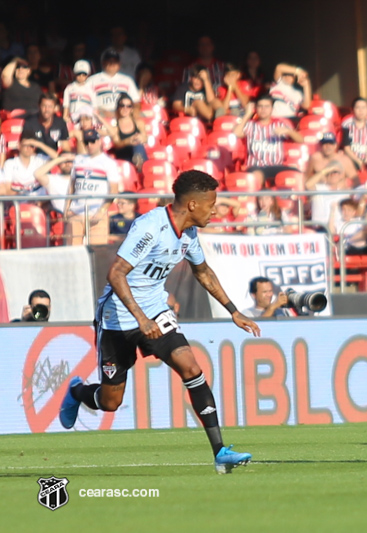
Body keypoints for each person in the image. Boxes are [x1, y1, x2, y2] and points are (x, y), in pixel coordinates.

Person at [59, 170, 259, 474]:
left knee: (191, 368)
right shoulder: (150, 227)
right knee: (110, 401)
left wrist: (233, 310)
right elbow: (116, 274)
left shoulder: (189, 234)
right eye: (211, 203)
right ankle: (77, 392)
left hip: (155, 312)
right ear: (192, 204)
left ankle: (220, 451)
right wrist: (140, 318)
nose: (214, 210)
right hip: (118, 318)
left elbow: (203, 272)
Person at [63, 129, 120, 245]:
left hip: (96, 212)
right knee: (72, 251)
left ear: (99, 141)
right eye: (86, 142)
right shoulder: (78, 160)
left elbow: (114, 191)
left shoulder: (109, 163)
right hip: (76, 211)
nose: (89, 145)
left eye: (93, 141)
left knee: (98, 252)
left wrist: (101, 212)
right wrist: (67, 208)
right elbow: (72, 187)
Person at [88, 48, 140, 118]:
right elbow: (85, 103)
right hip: (100, 118)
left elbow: (136, 102)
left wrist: (134, 113)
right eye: (109, 61)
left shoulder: (127, 80)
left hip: (123, 118)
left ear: (119, 64)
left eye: (115, 61)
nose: (112, 64)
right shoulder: (92, 80)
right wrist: (100, 111)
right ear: (103, 63)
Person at [110, 93, 147, 170]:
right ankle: (138, 166)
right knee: (135, 144)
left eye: (128, 106)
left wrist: (141, 138)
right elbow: (117, 144)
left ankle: (139, 164)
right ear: (118, 108)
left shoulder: (139, 123)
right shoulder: (115, 127)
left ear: (132, 109)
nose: (125, 108)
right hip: (124, 157)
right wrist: (128, 141)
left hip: (138, 152)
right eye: (122, 105)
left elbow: (145, 138)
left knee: (138, 144)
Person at [341, 97, 367, 171]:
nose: (361, 111)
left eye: (364, 108)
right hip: (351, 158)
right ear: (353, 110)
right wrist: (357, 161)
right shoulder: (347, 125)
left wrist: (366, 161)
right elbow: (346, 147)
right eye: (358, 108)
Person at [62, 60, 96, 125]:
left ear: (88, 75)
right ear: (74, 74)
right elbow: (66, 104)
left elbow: (94, 106)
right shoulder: (69, 88)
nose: (81, 77)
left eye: (84, 74)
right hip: (72, 119)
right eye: (78, 74)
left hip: (86, 120)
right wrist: (65, 117)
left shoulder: (91, 89)